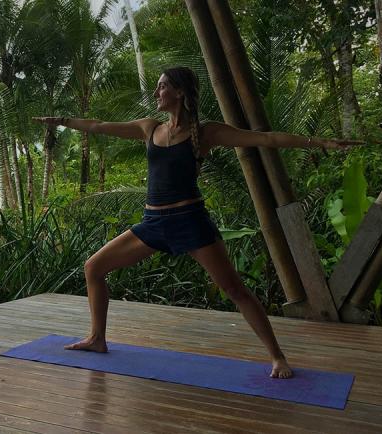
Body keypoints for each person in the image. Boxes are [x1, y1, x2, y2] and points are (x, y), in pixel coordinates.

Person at [32, 66, 363, 379]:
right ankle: (97, 338)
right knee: (94, 267)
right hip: (153, 222)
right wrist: (61, 121)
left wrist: (320, 143)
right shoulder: (149, 128)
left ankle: (277, 356)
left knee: (234, 289)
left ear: (179, 92)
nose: (157, 92)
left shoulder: (206, 133)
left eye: (162, 86)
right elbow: (98, 125)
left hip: (190, 221)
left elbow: (266, 140)